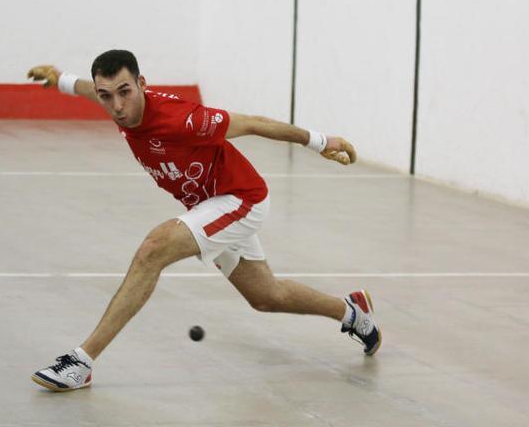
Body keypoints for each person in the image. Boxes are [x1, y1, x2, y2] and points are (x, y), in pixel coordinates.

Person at [26, 50, 380, 392]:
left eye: (124, 92)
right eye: (107, 96)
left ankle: (81, 362)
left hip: (241, 198)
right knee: (267, 296)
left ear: (142, 84)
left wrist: (320, 142)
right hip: (210, 204)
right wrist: (61, 80)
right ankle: (352, 313)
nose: (117, 106)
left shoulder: (183, 119)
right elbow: (93, 89)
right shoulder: (118, 104)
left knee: (154, 249)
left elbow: (254, 123)